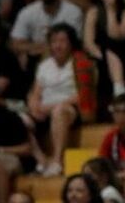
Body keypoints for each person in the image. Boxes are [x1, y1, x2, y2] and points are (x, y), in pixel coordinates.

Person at [27, 25, 84, 177]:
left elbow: (81, 96)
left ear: (71, 43)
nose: (57, 45)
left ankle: (57, 161)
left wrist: (49, 107)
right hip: (44, 110)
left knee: (59, 112)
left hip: (69, 108)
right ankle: (41, 160)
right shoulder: (44, 65)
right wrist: (34, 107)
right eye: (53, 41)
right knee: (21, 119)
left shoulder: (80, 62)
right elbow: (35, 93)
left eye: (62, 41)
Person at [11, 0, 84, 61]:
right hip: (36, 59)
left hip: (66, 58)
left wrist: (40, 48)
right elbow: (16, 44)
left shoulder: (73, 12)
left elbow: (75, 44)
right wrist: (41, 48)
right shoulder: (27, 12)